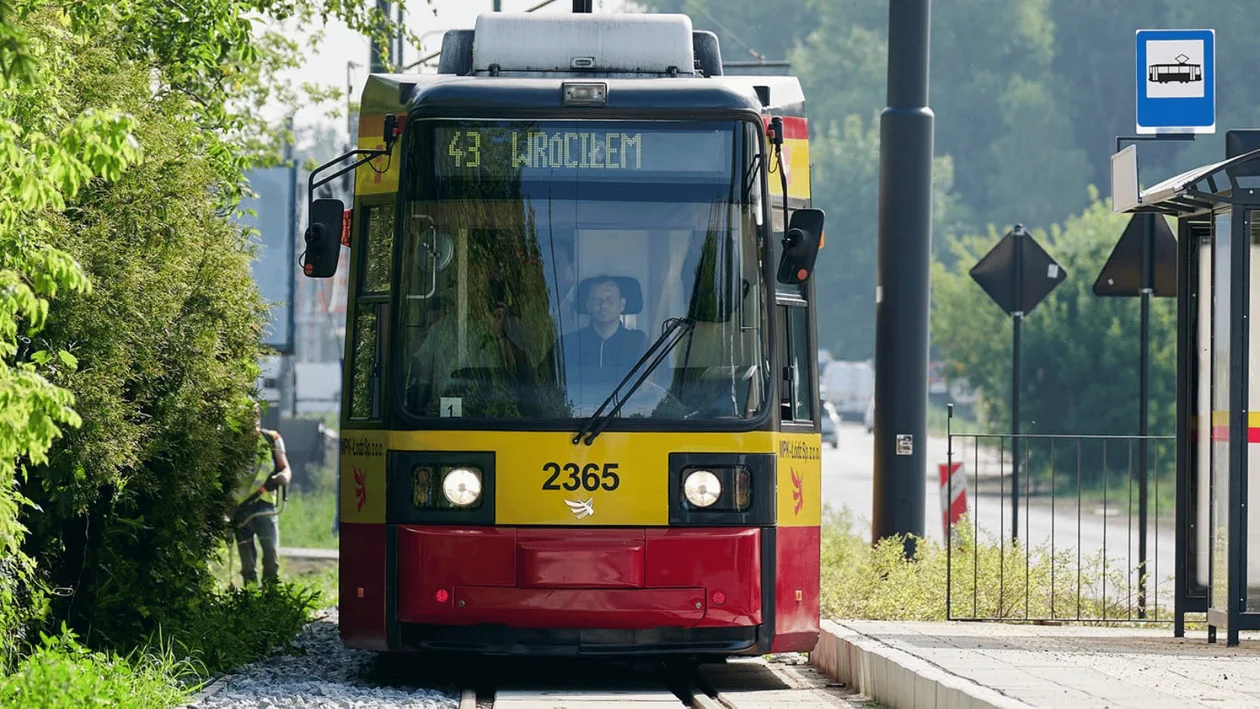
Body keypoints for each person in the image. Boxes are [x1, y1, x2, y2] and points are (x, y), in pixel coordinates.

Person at [233, 402, 290, 586]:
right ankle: (250, 598)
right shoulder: (232, 444)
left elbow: (285, 468)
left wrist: (283, 477)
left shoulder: (271, 439)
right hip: (240, 508)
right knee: (248, 564)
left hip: (265, 505)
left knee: (271, 557)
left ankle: (270, 598)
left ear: (258, 418)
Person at [556, 276, 647, 386]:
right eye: (596, 300)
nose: (603, 306)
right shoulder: (568, 343)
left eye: (610, 300)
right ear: (587, 305)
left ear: (622, 304)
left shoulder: (639, 343)